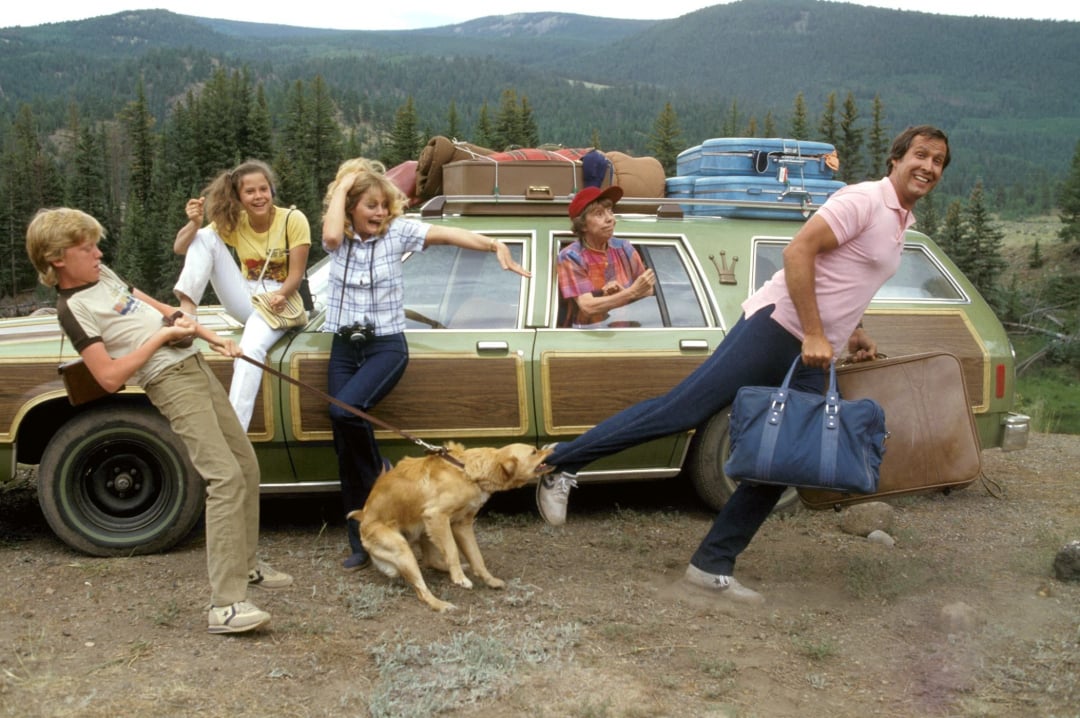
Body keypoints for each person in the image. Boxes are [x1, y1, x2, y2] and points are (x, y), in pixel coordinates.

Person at [537, 125, 951, 604]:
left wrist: (853, 332)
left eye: (938, 161)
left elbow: (846, 278)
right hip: (778, 330)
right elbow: (798, 252)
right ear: (896, 159)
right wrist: (816, 332)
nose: (928, 166)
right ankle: (559, 462)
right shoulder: (863, 201)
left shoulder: (900, 221)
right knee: (681, 412)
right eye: (920, 155)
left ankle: (711, 564)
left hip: (813, 348)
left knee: (787, 455)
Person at [26, 207, 293, 634]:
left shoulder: (104, 275)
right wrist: (162, 337)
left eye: (96, 244)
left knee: (245, 463)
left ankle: (247, 567)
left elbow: (159, 309)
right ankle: (225, 606)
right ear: (57, 258)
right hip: (168, 379)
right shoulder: (72, 308)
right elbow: (110, 377)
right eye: (86, 247)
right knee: (223, 477)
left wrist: (207, 334)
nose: (98, 252)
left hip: (193, 363)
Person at [321, 158, 531, 570]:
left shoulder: (398, 232)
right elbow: (329, 234)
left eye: (384, 205)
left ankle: (381, 471)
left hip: (386, 346)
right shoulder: (339, 237)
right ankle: (361, 541)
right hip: (345, 346)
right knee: (345, 440)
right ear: (349, 208)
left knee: (342, 411)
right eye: (370, 206)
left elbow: (447, 233)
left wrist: (492, 245)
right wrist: (345, 184)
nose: (380, 213)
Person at [172, 159, 312, 430]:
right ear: (238, 196)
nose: (259, 196)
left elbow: (296, 275)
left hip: (281, 299)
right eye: (250, 192)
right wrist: (193, 223)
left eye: (264, 189)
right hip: (248, 295)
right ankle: (187, 311)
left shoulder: (292, 219)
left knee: (250, 350)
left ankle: (236, 432)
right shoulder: (236, 222)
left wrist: (282, 294)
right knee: (202, 237)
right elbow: (181, 247)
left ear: (271, 190)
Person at [557, 185, 656, 327]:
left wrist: (624, 292)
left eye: (610, 211)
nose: (610, 218)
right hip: (587, 335)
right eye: (599, 214)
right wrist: (630, 293)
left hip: (628, 331)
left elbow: (648, 290)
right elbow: (588, 306)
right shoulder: (571, 256)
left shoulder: (624, 248)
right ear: (583, 225)